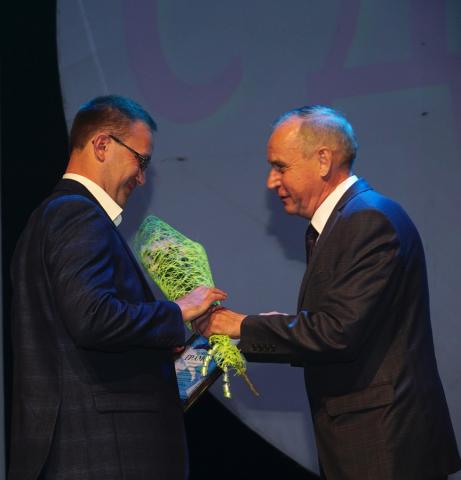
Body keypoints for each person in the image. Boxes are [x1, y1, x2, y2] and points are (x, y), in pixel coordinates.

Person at [205, 106, 461, 479]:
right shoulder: (348, 220)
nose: (271, 182)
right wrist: (257, 330)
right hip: (372, 439)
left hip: (384, 444)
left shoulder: (366, 220)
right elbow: (340, 326)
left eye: (280, 167)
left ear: (323, 160)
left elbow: (337, 332)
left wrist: (240, 325)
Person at [9, 95, 226, 480]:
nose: (141, 178)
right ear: (102, 145)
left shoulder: (49, 217)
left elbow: (74, 333)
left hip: (79, 447)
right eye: (141, 161)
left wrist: (150, 344)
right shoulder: (77, 215)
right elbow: (92, 318)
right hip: (104, 451)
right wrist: (177, 310)